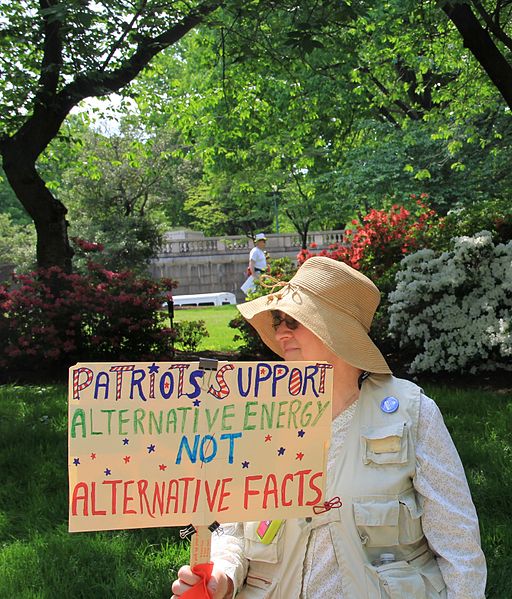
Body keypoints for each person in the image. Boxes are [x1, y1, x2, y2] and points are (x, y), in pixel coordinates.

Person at [171, 256, 487, 599]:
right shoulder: (257, 415)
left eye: (294, 320)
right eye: (279, 320)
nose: (280, 332)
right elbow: (231, 531)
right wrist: (222, 576)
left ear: (336, 328)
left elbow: (458, 546)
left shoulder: (413, 414)